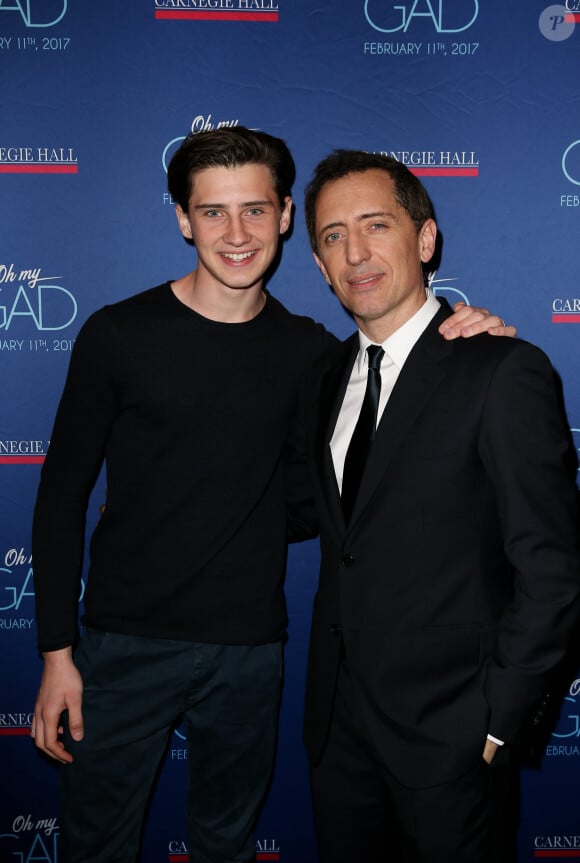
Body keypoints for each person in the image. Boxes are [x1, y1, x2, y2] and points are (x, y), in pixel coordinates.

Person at [30, 128, 511, 863]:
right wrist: (58, 653)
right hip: (121, 647)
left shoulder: (314, 354)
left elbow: (362, 436)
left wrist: (465, 328)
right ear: (183, 220)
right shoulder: (117, 335)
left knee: (226, 845)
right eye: (213, 212)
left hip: (251, 652)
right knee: (96, 846)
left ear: (286, 216)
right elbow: (61, 498)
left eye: (255, 210)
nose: (236, 233)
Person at [298, 149, 580, 863]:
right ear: (320, 265)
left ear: (425, 240)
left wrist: (496, 721)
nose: (355, 252)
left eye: (374, 225)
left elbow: (552, 568)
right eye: (333, 236)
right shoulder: (326, 375)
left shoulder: (501, 370)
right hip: (339, 737)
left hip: (453, 739)